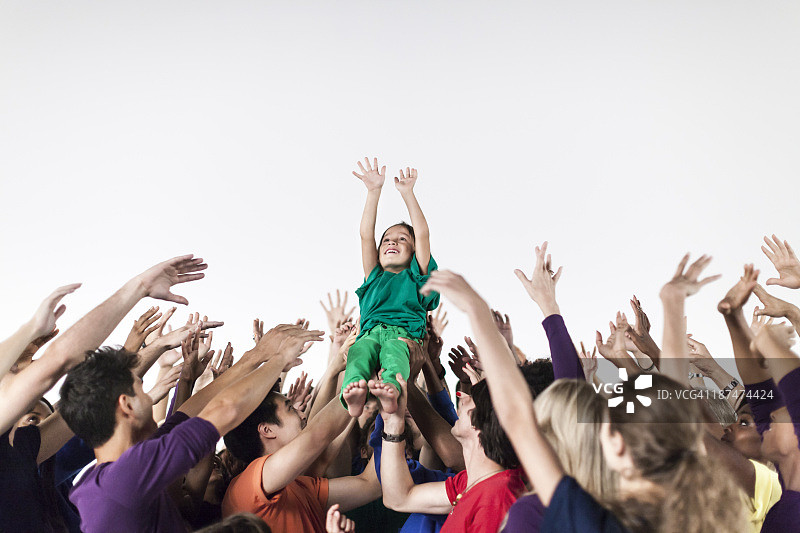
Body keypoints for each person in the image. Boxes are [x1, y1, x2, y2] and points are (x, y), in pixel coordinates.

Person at [419, 252, 748, 532]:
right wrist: (672, 304)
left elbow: (518, 415)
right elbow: (676, 407)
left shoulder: (579, 512)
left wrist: (477, 309)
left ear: (617, 447)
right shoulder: (686, 509)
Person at [60, 320, 322, 533]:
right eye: (141, 389)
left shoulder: (111, 476)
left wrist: (256, 356)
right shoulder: (125, 476)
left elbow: (188, 412)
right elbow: (225, 410)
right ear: (126, 405)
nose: (150, 397)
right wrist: (278, 359)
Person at [342, 157, 439, 416]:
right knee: (358, 352)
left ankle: (391, 390)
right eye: (386, 239)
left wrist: (408, 193)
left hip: (403, 336)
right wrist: (373, 192)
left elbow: (423, 234)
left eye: (402, 239)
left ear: (414, 251)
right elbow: (366, 235)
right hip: (369, 334)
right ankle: (355, 392)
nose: (391, 242)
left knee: (395, 355)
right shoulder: (374, 276)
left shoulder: (417, 277)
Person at [221, 389, 382, 532]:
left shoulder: (298, 486)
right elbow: (316, 436)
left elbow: (371, 485)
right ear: (267, 430)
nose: (303, 415)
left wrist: (389, 419)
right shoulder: (247, 486)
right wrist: (359, 379)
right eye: (290, 409)